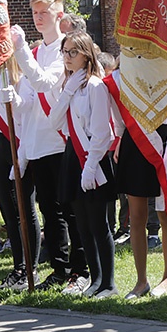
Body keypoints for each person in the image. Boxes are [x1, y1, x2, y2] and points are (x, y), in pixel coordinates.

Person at [11, 0, 88, 293]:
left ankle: (80, 271)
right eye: (34, 12)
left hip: (61, 140)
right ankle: (59, 268)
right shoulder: (36, 50)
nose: (38, 17)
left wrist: (20, 52)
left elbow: (44, 82)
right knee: (50, 212)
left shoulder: (63, 50)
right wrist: (14, 99)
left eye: (43, 11)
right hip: (39, 142)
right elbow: (30, 102)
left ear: (59, 15)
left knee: (70, 210)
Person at [48, 31, 118, 298]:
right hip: (72, 158)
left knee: (99, 224)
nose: (67, 57)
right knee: (82, 225)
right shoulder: (69, 86)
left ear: (86, 54)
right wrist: (66, 92)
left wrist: (90, 167)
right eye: (64, 52)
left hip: (93, 159)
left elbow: (103, 133)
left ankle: (109, 283)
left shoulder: (96, 87)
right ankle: (95, 279)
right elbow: (54, 122)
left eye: (72, 52)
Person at [104, 62, 167, 299]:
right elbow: (117, 117)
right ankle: (141, 281)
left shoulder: (162, 65)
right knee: (136, 216)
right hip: (132, 141)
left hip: (160, 138)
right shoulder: (117, 77)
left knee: (165, 212)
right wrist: (119, 141)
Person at [0, 55, 40, 291]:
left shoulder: (23, 79)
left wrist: (15, 100)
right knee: (8, 210)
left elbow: (28, 109)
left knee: (25, 207)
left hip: (18, 143)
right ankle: (18, 265)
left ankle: (31, 267)